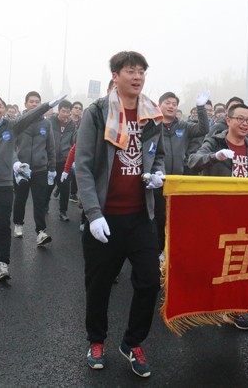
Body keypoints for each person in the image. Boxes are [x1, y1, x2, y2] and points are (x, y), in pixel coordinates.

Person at [76, 51, 165, 377]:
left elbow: (158, 156)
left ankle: (132, 342)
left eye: (142, 71)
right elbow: (83, 166)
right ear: (115, 76)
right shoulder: (98, 113)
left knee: (150, 282)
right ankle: (96, 340)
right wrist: (93, 213)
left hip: (140, 216)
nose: (137, 76)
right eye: (131, 70)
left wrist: (157, 174)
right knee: (99, 285)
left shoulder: (151, 114)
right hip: (105, 217)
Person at [0, 92, 64, 281]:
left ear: (4, 109)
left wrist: (47, 105)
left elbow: (30, 116)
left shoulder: (10, 126)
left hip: (4, 185)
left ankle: (3, 264)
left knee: (2, 224)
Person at [187, 103, 248, 330]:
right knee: (210, 259)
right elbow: (193, 161)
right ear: (228, 120)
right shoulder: (216, 141)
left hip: (242, 213)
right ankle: (198, 303)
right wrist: (214, 157)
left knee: (238, 259)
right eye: (240, 119)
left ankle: (233, 310)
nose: (245, 124)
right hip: (215, 211)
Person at [156, 90, 210, 261]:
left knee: (176, 219)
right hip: (158, 181)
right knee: (158, 218)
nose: (171, 106)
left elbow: (204, 129)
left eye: (174, 104)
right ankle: (157, 251)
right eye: (167, 103)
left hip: (177, 181)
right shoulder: (152, 126)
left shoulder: (183, 127)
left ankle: (171, 253)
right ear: (159, 105)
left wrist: (200, 108)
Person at [12, 91, 56, 246]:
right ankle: (18, 224)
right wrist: (16, 164)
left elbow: (50, 147)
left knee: (40, 201)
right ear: (25, 104)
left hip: (40, 170)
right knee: (20, 199)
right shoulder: (18, 123)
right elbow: (10, 147)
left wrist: (52, 168)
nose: (35, 104)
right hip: (22, 170)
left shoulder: (46, 124)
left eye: (37, 101)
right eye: (31, 101)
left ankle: (41, 232)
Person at [48, 100, 76, 222]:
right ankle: (45, 205)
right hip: (51, 159)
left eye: (67, 112)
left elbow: (74, 141)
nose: (65, 114)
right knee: (48, 186)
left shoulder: (72, 125)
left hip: (65, 160)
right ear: (58, 111)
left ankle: (63, 211)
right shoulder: (50, 122)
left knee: (65, 188)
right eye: (63, 111)